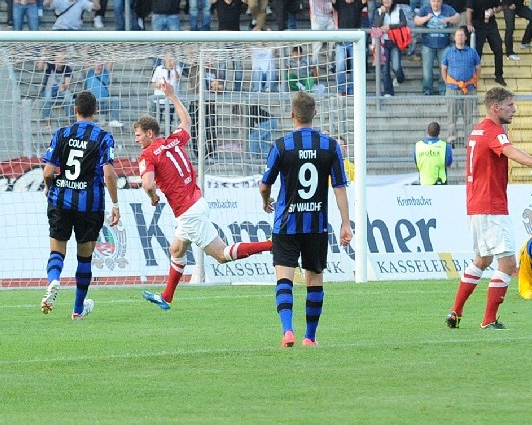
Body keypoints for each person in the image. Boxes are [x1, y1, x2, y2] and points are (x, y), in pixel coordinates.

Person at [139, 81, 273, 310]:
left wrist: (152, 197)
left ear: (150, 133)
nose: (136, 139)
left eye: (138, 135)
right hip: (197, 201)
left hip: (187, 211)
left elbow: (148, 183)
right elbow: (186, 122)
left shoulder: (148, 155)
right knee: (176, 249)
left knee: (221, 255)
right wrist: (172, 96)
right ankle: (166, 297)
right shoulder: (173, 140)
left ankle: (271, 245)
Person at [446, 86, 532, 330]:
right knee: (507, 264)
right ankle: (489, 319)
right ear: (496, 107)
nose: (514, 109)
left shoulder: (477, 130)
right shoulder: (493, 131)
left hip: (476, 205)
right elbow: (510, 151)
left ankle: (456, 311)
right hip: (491, 206)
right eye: (510, 105)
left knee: (482, 259)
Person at [260, 91, 352, 347]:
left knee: (284, 278)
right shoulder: (330, 146)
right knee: (314, 280)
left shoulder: (281, 146)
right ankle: (310, 337)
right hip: (316, 225)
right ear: (315, 114)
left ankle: (288, 330)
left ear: (292, 115)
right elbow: (340, 187)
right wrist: (345, 223)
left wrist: (265, 200)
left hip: (286, 224)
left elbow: (265, 185)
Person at [40, 90, 119, 320]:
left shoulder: (61, 134)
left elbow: (47, 172)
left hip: (60, 200)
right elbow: (109, 174)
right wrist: (115, 204)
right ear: (96, 110)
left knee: (57, 251)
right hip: (90, 205)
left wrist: (49, 187)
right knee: (84, 258)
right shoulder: (103, 137)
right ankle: (77, 309)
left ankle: (54, 280)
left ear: (75, 110)